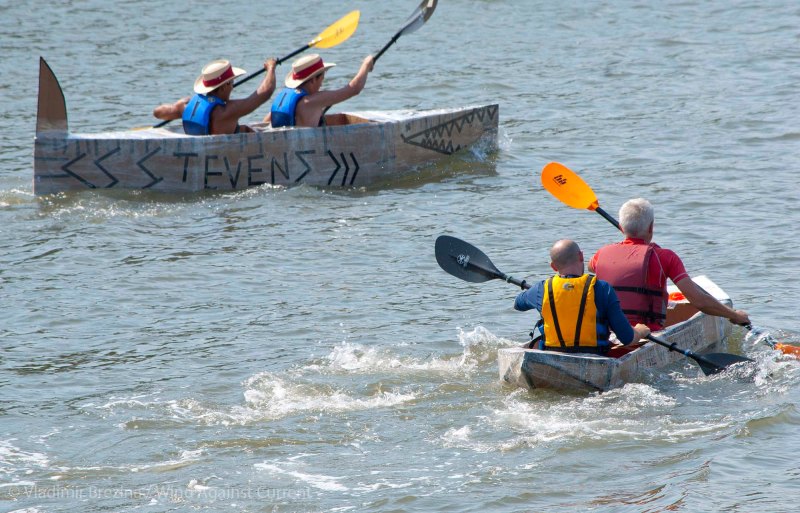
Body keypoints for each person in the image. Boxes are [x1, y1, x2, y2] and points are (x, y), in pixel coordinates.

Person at [589, 198, 750, 330]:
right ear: (651, 227)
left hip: (609, 333)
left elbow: (591, 267)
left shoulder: (600, 254)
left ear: (621, 227)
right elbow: (699, 301)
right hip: (647, 334)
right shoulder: (665, 257)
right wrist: (735, 316)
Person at [515, 239, 650, 354]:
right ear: (581, 256)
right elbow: (627, 338)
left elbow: (518, 304)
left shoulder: (541, 289)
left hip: (553, 353)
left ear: (553, 267)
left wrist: (535, 291)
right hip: (594, 356)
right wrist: (640, 331)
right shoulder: (602, 288)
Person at [153, 58, 277, 135]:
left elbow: (158, 113)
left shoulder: (186, 105)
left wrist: (181, 111)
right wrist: (271, 68)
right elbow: (264, 93)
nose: (232, 87)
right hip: (222, 158)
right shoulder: (227, 110)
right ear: (224, 86)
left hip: (200, 151)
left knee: (245, 129)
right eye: (231, 82)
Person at [266, 53, 374, 128]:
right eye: (322, 78)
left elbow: (266, 123)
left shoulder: (283, 99)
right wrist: (366, 64)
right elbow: (354, 89)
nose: (322, 83)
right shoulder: (312, 101)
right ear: (313, 80)